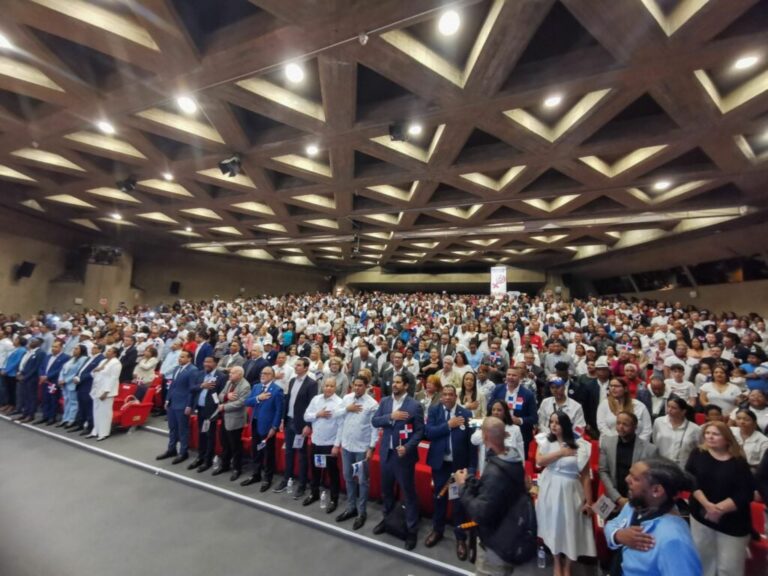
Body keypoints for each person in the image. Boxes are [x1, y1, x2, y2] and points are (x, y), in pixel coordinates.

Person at [605, 458, 702, 576]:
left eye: (635, 479)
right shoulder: (634, 506)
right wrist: (617, 535)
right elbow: (612, 524)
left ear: (656, 490)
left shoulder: (674, 539)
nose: (627, 479)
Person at [456, 417, 527, 576]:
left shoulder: (495, 472)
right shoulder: (513, 459)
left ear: (485, 436)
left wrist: (462, 486)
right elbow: (493, 493)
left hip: (495, 542)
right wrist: (471, 482)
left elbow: (480, 512)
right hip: (511, 534)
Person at [686, 420, 756, 576]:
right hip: (701, 515)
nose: (710, 437)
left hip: (733, 522)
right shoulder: (698, 453)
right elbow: (691, 480)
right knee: (704, 561)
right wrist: (708, 506)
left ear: (726, 438)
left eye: (715, 434)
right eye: (707, 433)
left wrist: (719, 509)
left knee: (729, 567)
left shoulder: (738, 462)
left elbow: (746, 492)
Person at [535, 411, 596, 576]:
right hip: (551, 487)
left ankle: (568, 565)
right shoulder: (546, 441)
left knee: (570, 526)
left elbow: (585, 477)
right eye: (551, 422)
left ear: (565, 425)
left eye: (557, 422)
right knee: (553, 525)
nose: (553, 425)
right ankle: (556, 562)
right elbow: (540, 461)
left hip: (571, 489)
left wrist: (588, 502)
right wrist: (561, 453)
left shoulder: (581, 445)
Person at [372, 373, 425, 550]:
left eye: (398, 382)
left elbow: (419, 432)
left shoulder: (415, 405)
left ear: (406, 386)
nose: (394, 385)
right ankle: (387, 520)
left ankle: (411, 530)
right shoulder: (385, 402)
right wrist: (391, 417)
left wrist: (408, 447)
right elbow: (374, 421)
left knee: (408, 494)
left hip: (404, 456)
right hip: (386, 453)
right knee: (386, 491)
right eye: (393, 382)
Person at [423, 384, 476, 559]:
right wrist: (448, 425)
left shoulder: (466, 414)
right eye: (444, 394)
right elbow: (428, 432)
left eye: (450, 394)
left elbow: (472, 445)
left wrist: (471, 468)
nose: (447, 397)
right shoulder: (434, 410)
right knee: (439, 498)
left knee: (458, 503)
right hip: (440, 465)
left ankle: (460, 538)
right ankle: (437, 530)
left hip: (458, 468)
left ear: (456, 396)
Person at [333, 373, 379, 531]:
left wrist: (371, 447)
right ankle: (351, 508)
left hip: (361, 448)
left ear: (366, 386)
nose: (357, 388)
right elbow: (335, 414)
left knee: (362, 480)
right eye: (355, 385)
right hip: (346, 446)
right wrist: (347, 409)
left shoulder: (372, 404)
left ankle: (361, 512)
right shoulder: (346, 399)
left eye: (361, 385)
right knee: (347, 477)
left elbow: (375, 428)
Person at [274, 357, 316, 498]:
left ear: (306, 368)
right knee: (289, 453)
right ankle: (287, 479)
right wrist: (283, 419)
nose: (296, 367)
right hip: (289, 421)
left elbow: (312, 406)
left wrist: (308, 425)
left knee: (302, 455)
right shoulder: (292, 381)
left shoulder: (311, 384)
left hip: (301, 424)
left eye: (299, 365)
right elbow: (288, 401)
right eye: (296, 365)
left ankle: (302, 485)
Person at [599, 411, 659, 510]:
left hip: (638, 501)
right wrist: (618, 498)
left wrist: (629, 500)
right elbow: (603, 471)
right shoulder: (606, 443)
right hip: (611, 498)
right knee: (606, 524)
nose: (620, 427)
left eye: (625, 424)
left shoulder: (650, 449)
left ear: (635, 427)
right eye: (618, 423)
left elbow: (651, 478)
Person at [241, 365, 284, 491]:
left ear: (271, 376)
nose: (262, 375)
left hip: (267, 427)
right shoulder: (256, 387)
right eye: (261, 373)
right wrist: (258, 398)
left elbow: (278, 411)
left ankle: (267, 478)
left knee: (268, 453)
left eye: (265, 373)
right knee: (256, 450)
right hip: (254, 423)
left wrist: (274, 427)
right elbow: (247, 402)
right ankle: (256, 474)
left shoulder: (277, 390)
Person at [303, 376, 343, 510]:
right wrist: (318, 414)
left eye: (331, 386)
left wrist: (336, 445)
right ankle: (314, 493)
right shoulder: (316, 399)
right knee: (314, 470)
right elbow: (306, 416)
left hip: (330, 444)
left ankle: (334, 499)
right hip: (315, 441)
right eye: (326, 385)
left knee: (332, 473)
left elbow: (341, 427)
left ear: (335, 387)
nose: (328, 388)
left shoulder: (339, 403)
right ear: (323, 386)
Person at [156, 350, 200, 464]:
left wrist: (189, 405)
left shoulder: (193, 370)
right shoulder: (177, 368)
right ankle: (171, 449)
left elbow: (192, 390)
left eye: (182, 357)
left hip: (183, 404)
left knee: (183, 429)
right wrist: (167, 399)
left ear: (189, 359)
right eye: (179, 357)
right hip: (172, 402)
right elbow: (172, 386)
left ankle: (183, 452)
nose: (179, 359)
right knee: (172, 428)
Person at [188, 356, 226, 473]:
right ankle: (200, 457)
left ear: (215, 363)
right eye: (205, 361)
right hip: (200, 409)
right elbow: (191, 388)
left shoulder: (221, 376)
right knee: (202, 434)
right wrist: (202, 386)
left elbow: (222, 395)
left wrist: (217, 411)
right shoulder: (200, 374)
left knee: (210, 435)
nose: (206, 364)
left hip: (212, 412)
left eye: (209, 362)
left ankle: (207, 460)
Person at [212, 365, 251, 481]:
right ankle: (224, 465)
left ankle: (237, 469)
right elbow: (220, 395)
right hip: (225, 417)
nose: (230, 374)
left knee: (235, 446)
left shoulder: (246, 386)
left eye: (232, 373)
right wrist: (226, 396)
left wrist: (224, 406)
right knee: (225, 443)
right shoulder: (229, 383)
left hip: (236, 419)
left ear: (240, 374)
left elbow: (241, 403)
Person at [488, 366, 538, 454]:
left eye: (514, 375)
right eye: (509, 374)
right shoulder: (498, 389)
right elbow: (489, 407)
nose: (510, 377)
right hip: (498, 431)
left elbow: (534, 418)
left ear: (520, 377)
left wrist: (519, 420)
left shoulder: (528, 394)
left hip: (520, 434)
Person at [471, 399, 525, 472]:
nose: (496, 412)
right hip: (487, 469)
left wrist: (522, 471)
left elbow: (520, 453)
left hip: (508, 470)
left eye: (499, 410)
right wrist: (488, 430)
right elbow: (474, 440)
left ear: (505, 413)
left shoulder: (515, 429)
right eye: (493, 410)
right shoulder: (484, 426)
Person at [652, 397, 701, 468]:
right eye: (668, 406)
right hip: (660, 464)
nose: (669, 410)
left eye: (674, 408)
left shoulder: (695, 429)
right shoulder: (658, 422)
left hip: (683, 466)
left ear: (683, 411)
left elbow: (698, 449)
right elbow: (655, 441)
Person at [87, 346, 121, 441]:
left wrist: (106, 392)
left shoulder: (116, 363)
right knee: (96, 410)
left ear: (114, 354)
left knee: (105, 412)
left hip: (107, 391)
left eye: (110, 351)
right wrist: (96, 370)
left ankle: (104, 432)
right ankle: (96, 431)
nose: (107, 352)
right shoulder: (102, 361)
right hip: (97, 388)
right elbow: (95, 373)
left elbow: (113, 378)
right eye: (107, 350)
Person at [69, 343, 104, 435]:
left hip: (89, 385)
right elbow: (81, 369)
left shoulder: (101, 359)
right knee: (81, 405)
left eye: (95, 348)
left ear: (100, 350)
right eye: (92, 348)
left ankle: (90, 426)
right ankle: (80, 423)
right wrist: (76, 376)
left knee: (88, 406)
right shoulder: (89, 358)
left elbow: (93, 372)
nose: (93, 349)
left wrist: (80, 378)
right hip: (81, 384)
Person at [37, 340, 69, 425]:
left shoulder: (65, 357)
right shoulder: (48, 356)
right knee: (45, 399)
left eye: (56, 347)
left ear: (61, 348)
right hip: (44, 381)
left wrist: (47, 376)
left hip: (53, 382)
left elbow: (60, 370)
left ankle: (52, 417)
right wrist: (41, 375)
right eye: (53, 346)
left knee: (53, 399)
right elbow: (42, 367)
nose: (53, 348)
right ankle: (45, 416)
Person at [14, 337, 45, 423]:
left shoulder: (40, 353)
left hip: (32, 378)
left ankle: (31, 414)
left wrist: (26, 376)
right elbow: (25, 364)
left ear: (37, 343)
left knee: (31, 397)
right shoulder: (29, 352)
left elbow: (36, 368)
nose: (30, 343)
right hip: (24, 377)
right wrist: (20, 373)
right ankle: (25, 413)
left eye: (32, 342)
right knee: (25, 396)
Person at [57, 344, 87, 428]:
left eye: (77, 349)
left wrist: (65, 380)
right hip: (65, 384)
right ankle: (65, 418)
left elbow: (76, 372)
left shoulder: (83, 359)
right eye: (74, 348)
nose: (74, 350)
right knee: (66, 401)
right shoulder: (72, 359)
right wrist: (60, 379)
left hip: (72, 383)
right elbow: (63, 370)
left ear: (82, 350)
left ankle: (71, 420)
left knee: (73, 402)